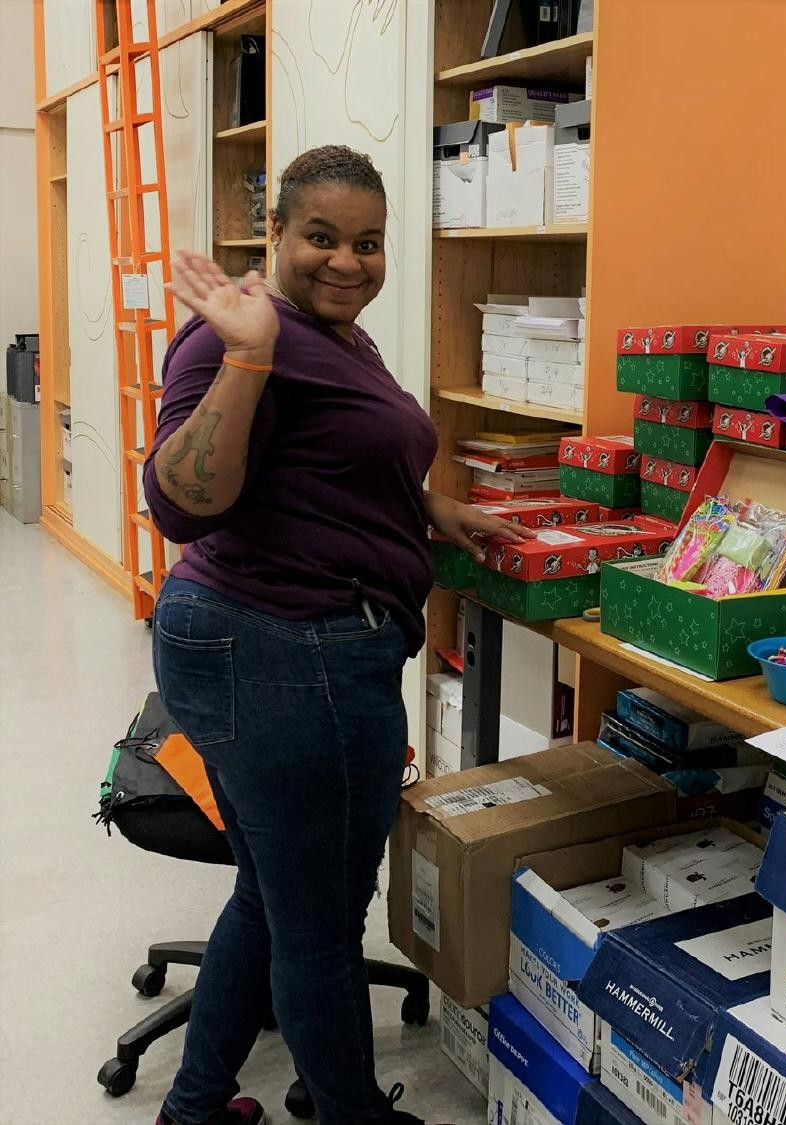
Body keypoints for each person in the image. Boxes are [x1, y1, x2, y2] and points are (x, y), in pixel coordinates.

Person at [143, 145, 532, 1125]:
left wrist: (430, 506)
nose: (346, 261)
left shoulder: (336, 337)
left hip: (268, 640)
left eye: (368, 242)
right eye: (320, 237)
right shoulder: (236, 336)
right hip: (287, 651)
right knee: (318, 925)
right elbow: (185, 503)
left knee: (272, 900)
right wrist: (243, 354)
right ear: (274, 234)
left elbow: (337, 458)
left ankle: (192, 1111)